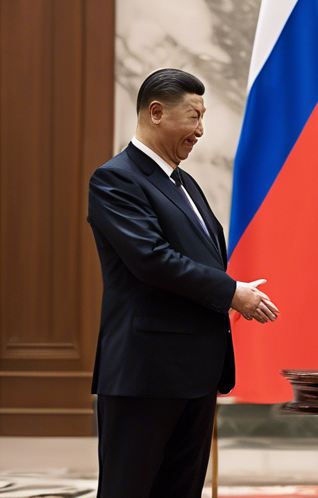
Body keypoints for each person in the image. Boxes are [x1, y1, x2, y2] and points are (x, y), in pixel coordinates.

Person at [87, 68, 279, 497]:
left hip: (194, 374)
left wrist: (225, 293)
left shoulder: (184, 182)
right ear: (156, 113)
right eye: (194, 117)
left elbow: (195, 258)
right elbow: (152, 260)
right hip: (145, 375)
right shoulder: (116, 179)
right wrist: (231, 292)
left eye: (202, 117)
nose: (201, 131)